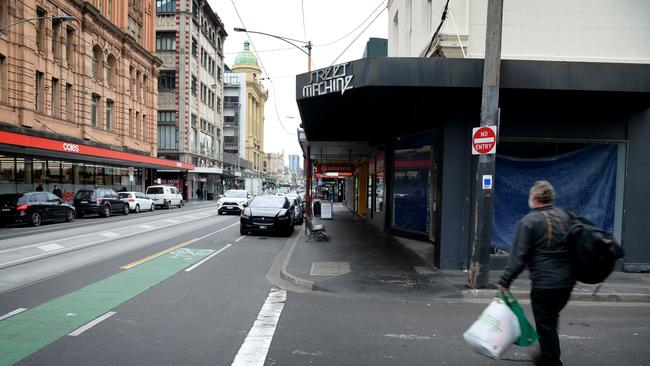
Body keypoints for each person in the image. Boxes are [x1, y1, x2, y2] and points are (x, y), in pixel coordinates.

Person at [497, 180, 575, 366]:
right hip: (566, 283)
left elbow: (519, 257)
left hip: (545, 284)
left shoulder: (529, 221)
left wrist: (505, 280)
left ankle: (551, 361)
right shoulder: (564, 216)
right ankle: (547, 355)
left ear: (534, 198)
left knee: (545, 323)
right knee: (550, 319)